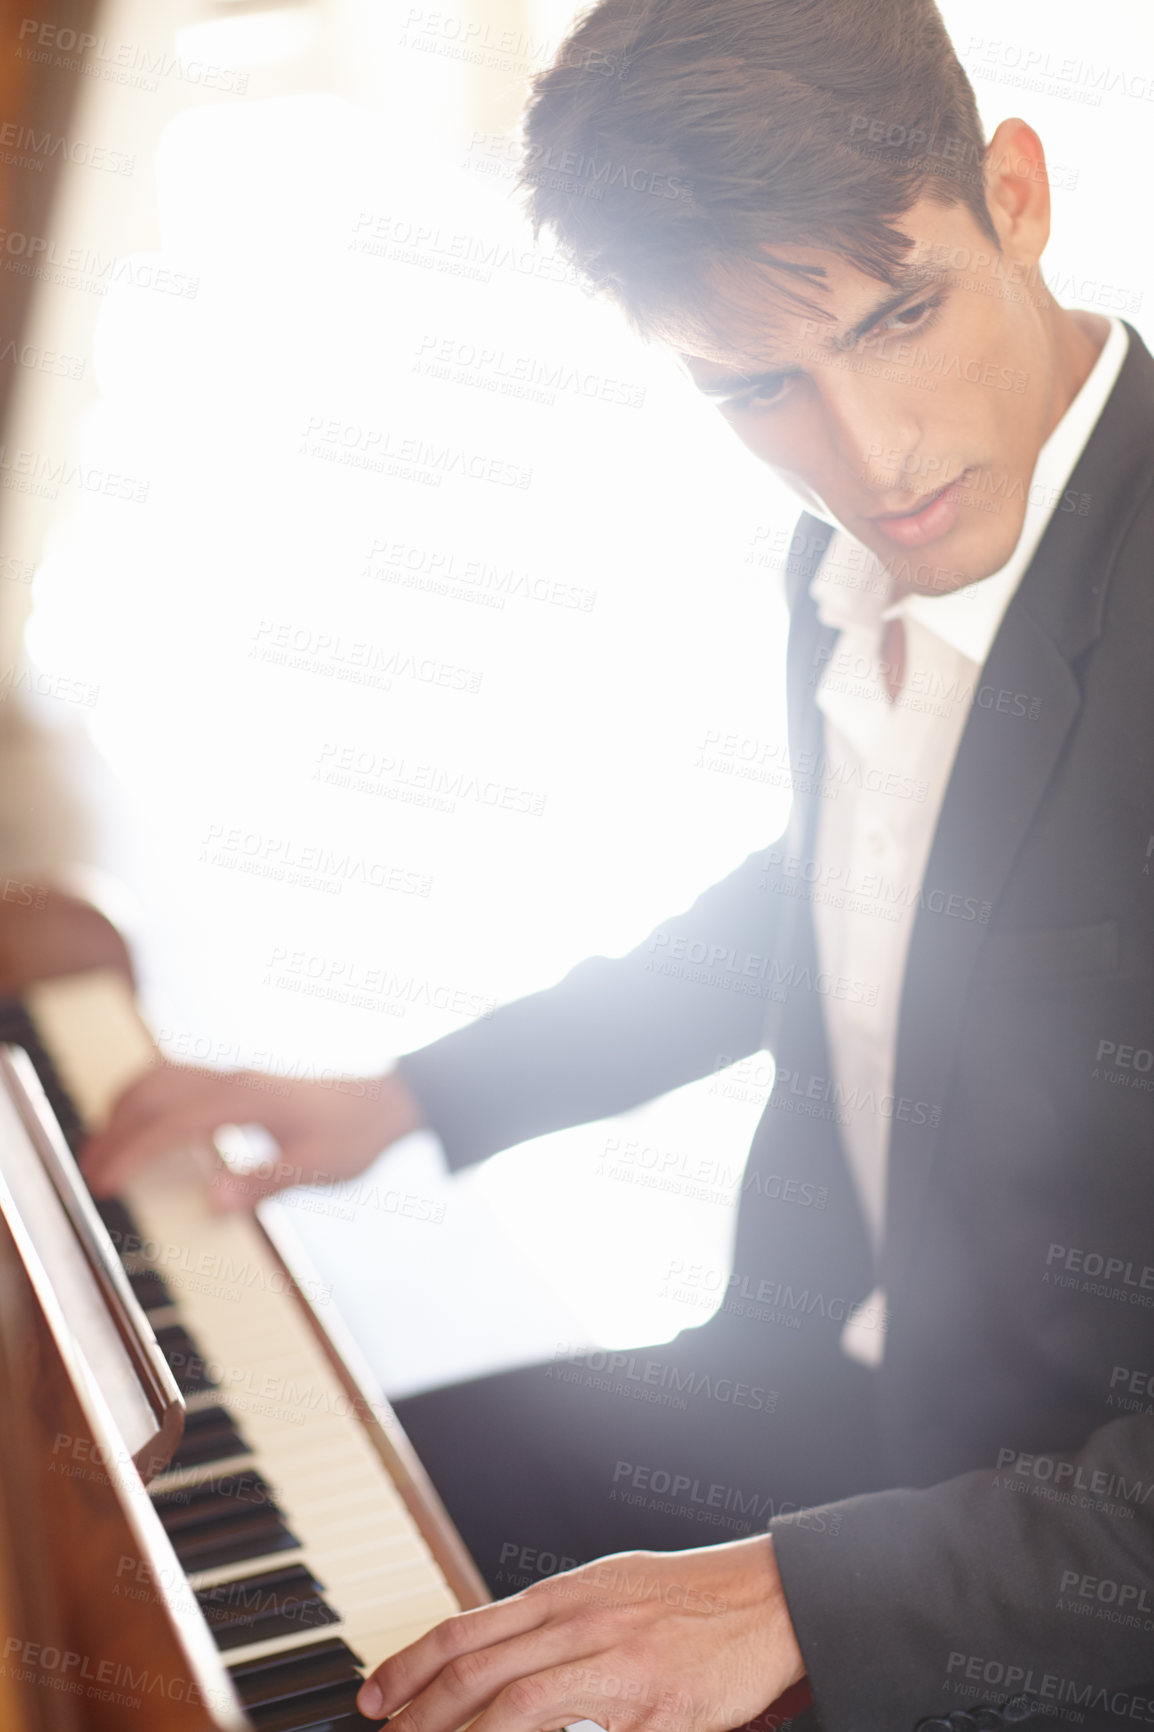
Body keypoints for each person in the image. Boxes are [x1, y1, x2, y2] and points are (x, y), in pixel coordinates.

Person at [81, 1, 1154, 1728]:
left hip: (1068, 1555)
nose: (866, 456)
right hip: (807, 1397)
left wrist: (809, 1590)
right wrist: (413, 1095)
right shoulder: (865, 535)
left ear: (1014, 194)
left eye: (899, 318)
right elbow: (843, 885)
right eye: (753, 385)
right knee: (246, 1572)